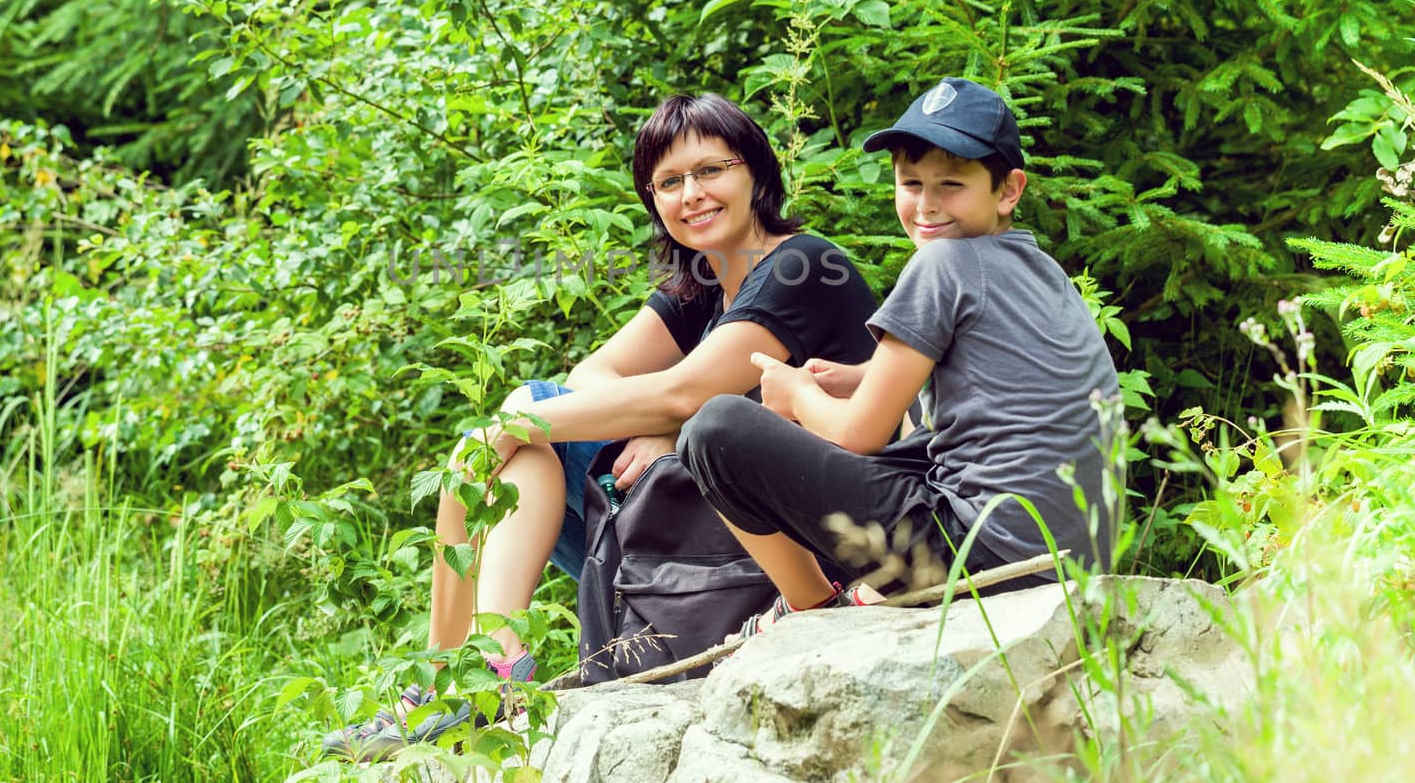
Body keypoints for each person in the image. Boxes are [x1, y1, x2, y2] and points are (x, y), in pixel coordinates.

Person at [323, 92, 878, 758]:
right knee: (515, 446)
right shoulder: (701, 283)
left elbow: (687, 392)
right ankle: (480, 667)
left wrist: (666, 421)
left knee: (517, 423)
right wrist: (657, 424)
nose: (690, 194)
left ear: (756, 171)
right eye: (669, 183)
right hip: (711, 535)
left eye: (710, 170)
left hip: (809, 543)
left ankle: (457, 678)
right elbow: (595, 371)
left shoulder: (802, 266)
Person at [676, 77, 1121, 635]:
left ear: (1009, 189)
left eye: (951, 184)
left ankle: (809, 607)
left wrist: (799, 394)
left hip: (987, 560)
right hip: (1073, 555)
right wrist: (860, 376)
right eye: (911, 183)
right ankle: (855, 593)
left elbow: (857, 436)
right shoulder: (1041, 269)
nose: (926, 205)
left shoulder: (943, 263)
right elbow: (995, 378)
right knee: (920, 445)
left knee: (715, 428)